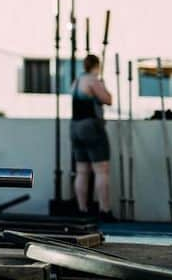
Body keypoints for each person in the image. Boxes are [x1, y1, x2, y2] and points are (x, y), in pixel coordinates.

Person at [70, 54, 115, 221]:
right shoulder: (92, 80)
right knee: (101, 169)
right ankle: (105, 210)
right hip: (90, 127)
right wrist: (102, 85)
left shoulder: (76, 81)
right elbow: (108, 99)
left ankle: (82, 209)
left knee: (82, 170)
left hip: (74, 127)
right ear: (97, 65)